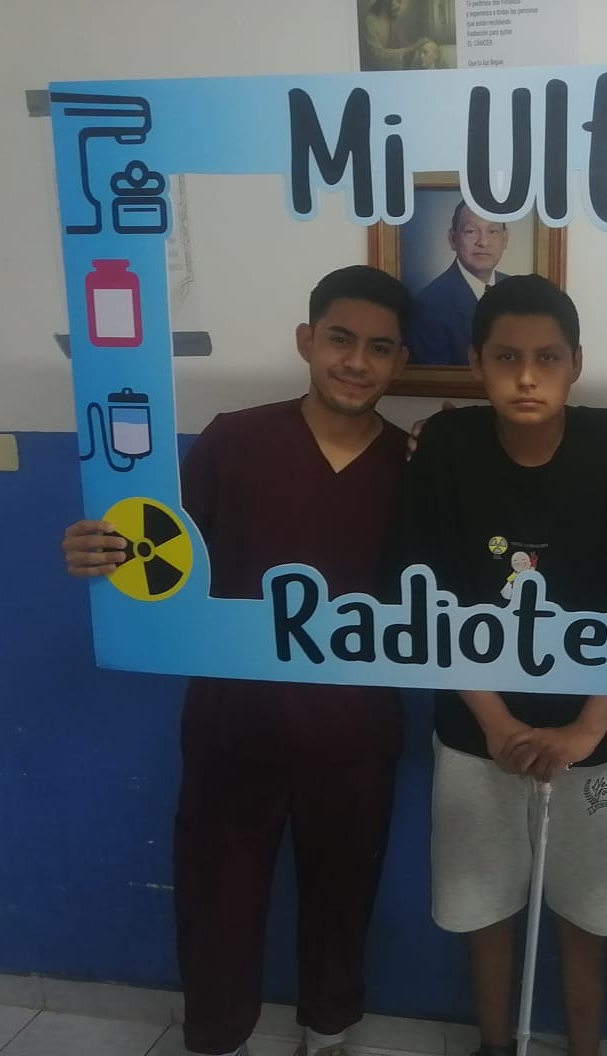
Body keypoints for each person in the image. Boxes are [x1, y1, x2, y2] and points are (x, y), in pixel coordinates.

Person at [62, 266, 413, 1056]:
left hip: (355, 732)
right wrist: (99, 553)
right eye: (341, 339)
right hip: (234, 724)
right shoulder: (236, 440)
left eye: (379, 348)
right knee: (217, 900)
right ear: (307, 340)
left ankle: (328, 1033)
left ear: (400, 362)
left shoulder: (415, 464)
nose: (357, 362)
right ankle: (219, 1038)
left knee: (344, 895)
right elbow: (162, 558)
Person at [395, 275, 607, 1056]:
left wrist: (586, 731)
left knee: (587, 917)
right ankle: (496, 1046)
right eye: (506, 357)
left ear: (576, 364)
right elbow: (424, 603)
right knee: (484, 913)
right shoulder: (446, 448)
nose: (527, 377)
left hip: (601, 732)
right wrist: (497, 723)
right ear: (475, 362)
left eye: (548, 358)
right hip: (474, 730)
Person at [407, 202, 511, 366]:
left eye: (493, 231)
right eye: (471, 231)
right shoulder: (429, 306)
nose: (483, 242)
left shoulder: (515, 291)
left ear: (505, 239)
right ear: (453, 239)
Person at [359, 0, 433, 72]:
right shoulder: (370, 22)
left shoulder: (392, 22)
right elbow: (377, 56)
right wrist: (412, 48)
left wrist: (420, 45)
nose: (399, 6)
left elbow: (403, 45)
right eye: (398, 1)